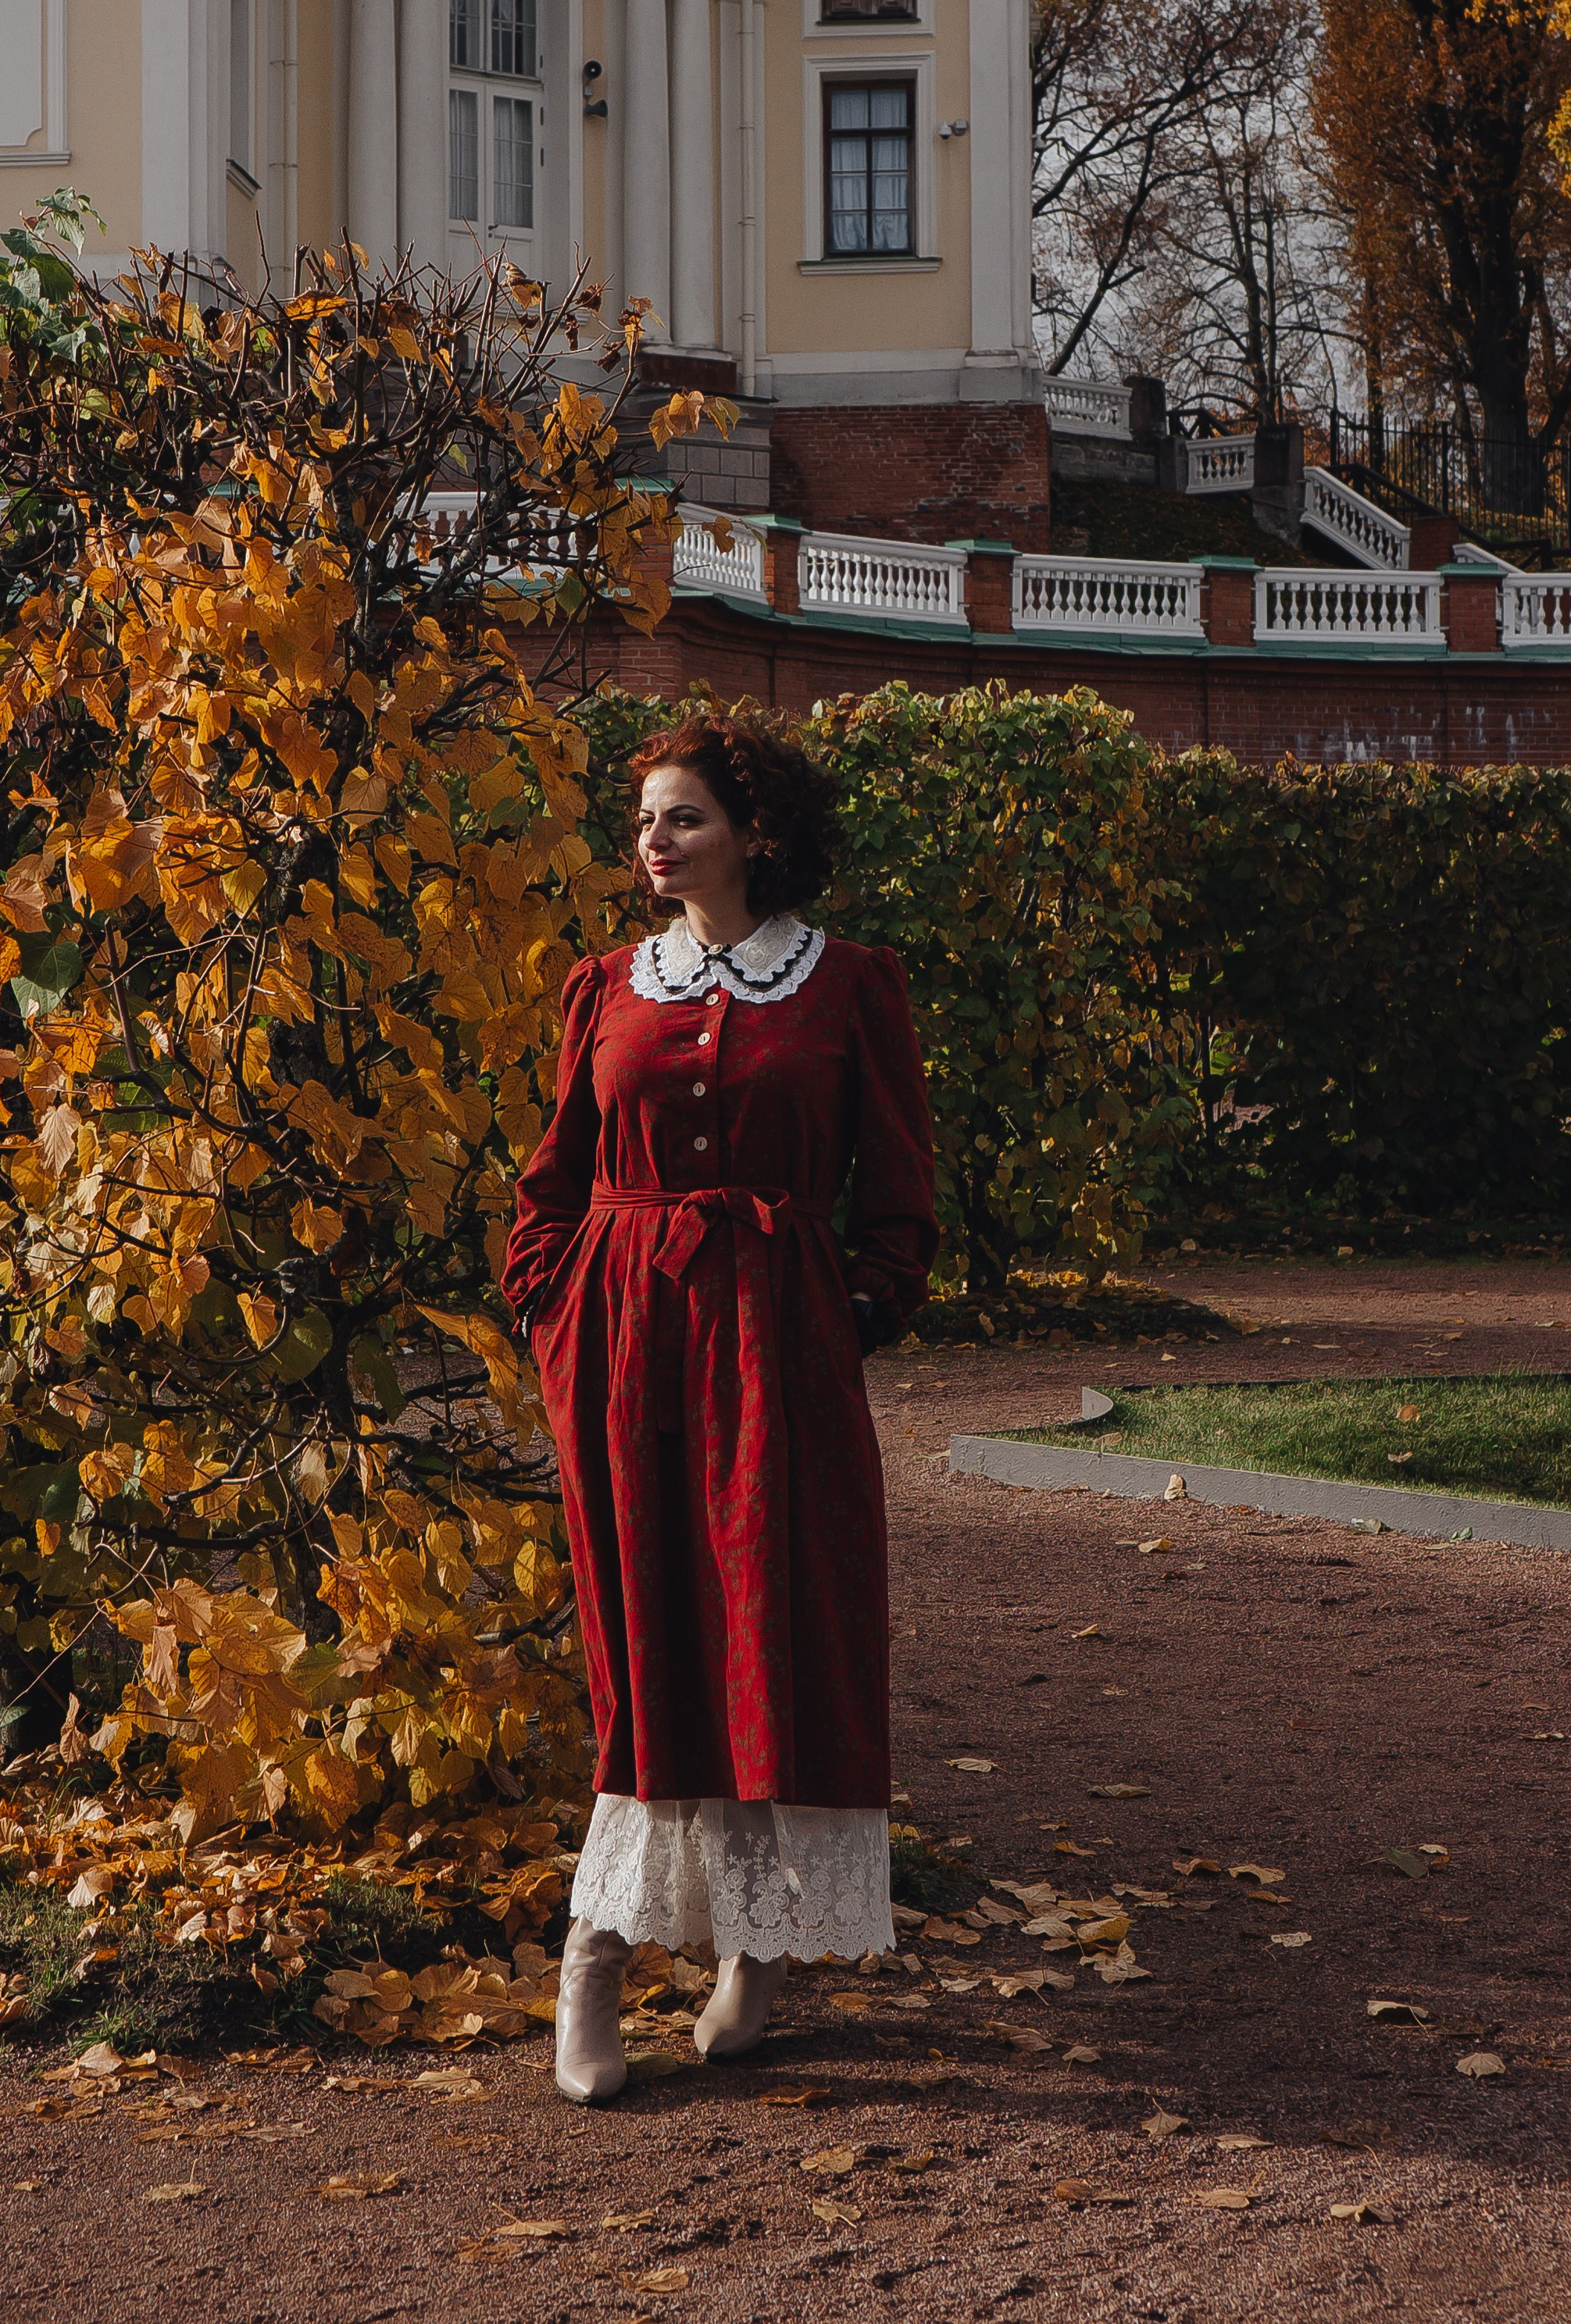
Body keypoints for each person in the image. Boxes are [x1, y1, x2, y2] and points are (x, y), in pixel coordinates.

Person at [504, 709, 938, 2105]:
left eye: (680, 815)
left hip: (779, 1340)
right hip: (625, 1340)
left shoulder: (848, 985)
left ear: (756, 834)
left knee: (767, 1629)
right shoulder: (603, 986)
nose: (652, 838)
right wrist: (552, 1305)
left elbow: (901, 1193)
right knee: (646, 1636)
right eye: (642, 817)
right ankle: (597, 1951)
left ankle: (756, 1947)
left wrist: (853, 1312)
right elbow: (552, 1179)